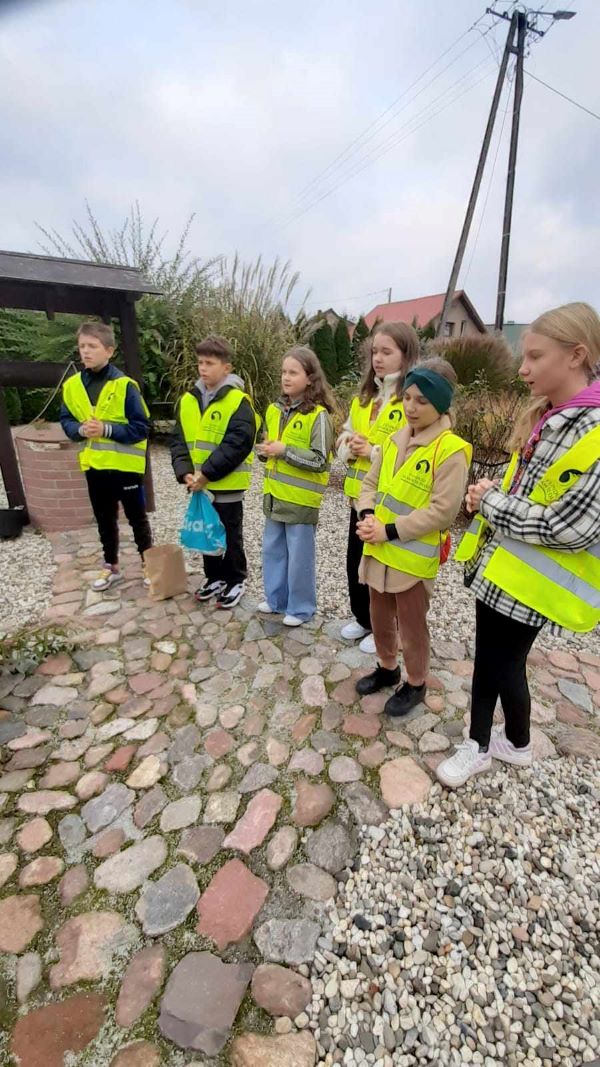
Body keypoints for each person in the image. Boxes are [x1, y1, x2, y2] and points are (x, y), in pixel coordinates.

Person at [437, 302, 600, 788]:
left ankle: (478, 746)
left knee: (495, 662)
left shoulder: (591, 432)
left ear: (576, 356)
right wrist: (492, 494)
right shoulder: (553, 417)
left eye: (535, 356)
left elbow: (572, 527)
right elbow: (534, 491)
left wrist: (491, 504)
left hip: (531, 580)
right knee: (504, 661)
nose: (523, 368)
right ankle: (518, 742)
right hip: (508, 567)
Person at [354, 358, 471, 716]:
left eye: (422, 400)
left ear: (442, 404)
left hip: (410, 559)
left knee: (411, 626)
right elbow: (370, 483)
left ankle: (416, 682)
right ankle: (387, 667)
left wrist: (388, 530)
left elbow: (443, 511)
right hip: (378, 549)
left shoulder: (450, 451)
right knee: (379, 616)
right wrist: (367, 514)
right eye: (407, 397)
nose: (411, 407)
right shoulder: (394, 440)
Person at [337, 322, 419, 653]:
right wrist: (349, 445)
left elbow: (411, 452)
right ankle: (363, 618)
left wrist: (370, 451)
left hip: (390, 504)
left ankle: (386, 628)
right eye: (374, 352)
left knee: (384, 569)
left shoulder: (409, 401)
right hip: (358, 499)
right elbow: (342, 438)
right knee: (355, 561)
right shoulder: (363, 399)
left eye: (387, 352)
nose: (378, 359)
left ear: (406, 355)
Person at [60, 321, 152, 591]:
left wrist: (106, 429)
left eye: (93, 346)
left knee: (137, 519)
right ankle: (110, 566)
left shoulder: (125, 386)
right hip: (95, 466)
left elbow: (142, 427)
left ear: (109, 351)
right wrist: (79, 430)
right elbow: (66, 420)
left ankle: (149, 564)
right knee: (104, 520)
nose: (86, 351)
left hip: (126, 467)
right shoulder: (72, 386)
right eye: (82, 346)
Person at [170, 335, 257, 609]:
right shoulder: (188, 401)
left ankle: (235, 579)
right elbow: (179, 441)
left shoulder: (238, 401)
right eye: (200, 362)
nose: (203, 368)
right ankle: (214, 577)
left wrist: (206, 473)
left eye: (210, 363)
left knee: (229, 534)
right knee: (206, 533)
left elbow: (237, 443)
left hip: (226, 485)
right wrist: (185, 471)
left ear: (226, 368)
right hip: (200, 485)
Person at [257, 346, 335, 626]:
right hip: (274, 495)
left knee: (299, 557)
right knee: (273, 550)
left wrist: (284, 451)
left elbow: (320, 460)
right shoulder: (274, 410)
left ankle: (301, 608)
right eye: (283, 372)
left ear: (310, 378)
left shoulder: (319, 416)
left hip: (301, 501)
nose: (286, 377)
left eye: (293, 372)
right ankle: (276, 600)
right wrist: (265, 451)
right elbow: (270, 447)